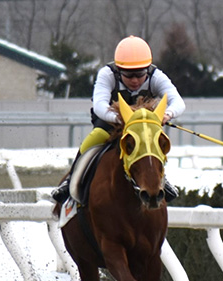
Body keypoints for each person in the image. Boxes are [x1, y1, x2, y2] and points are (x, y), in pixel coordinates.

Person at [51, 35, 186, 204]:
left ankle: (161, 180)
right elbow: (100, 105)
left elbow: (178, 102)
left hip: (141, 127)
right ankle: (71, 180)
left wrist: (168, 114)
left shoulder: (157, 76)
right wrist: (120, 118)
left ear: (148, 68)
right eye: (129, 74)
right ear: (119, 69)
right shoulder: (107, 74)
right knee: (95, 137)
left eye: (140, 73)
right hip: (110, 123)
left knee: (152, 144)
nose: (135, 80)